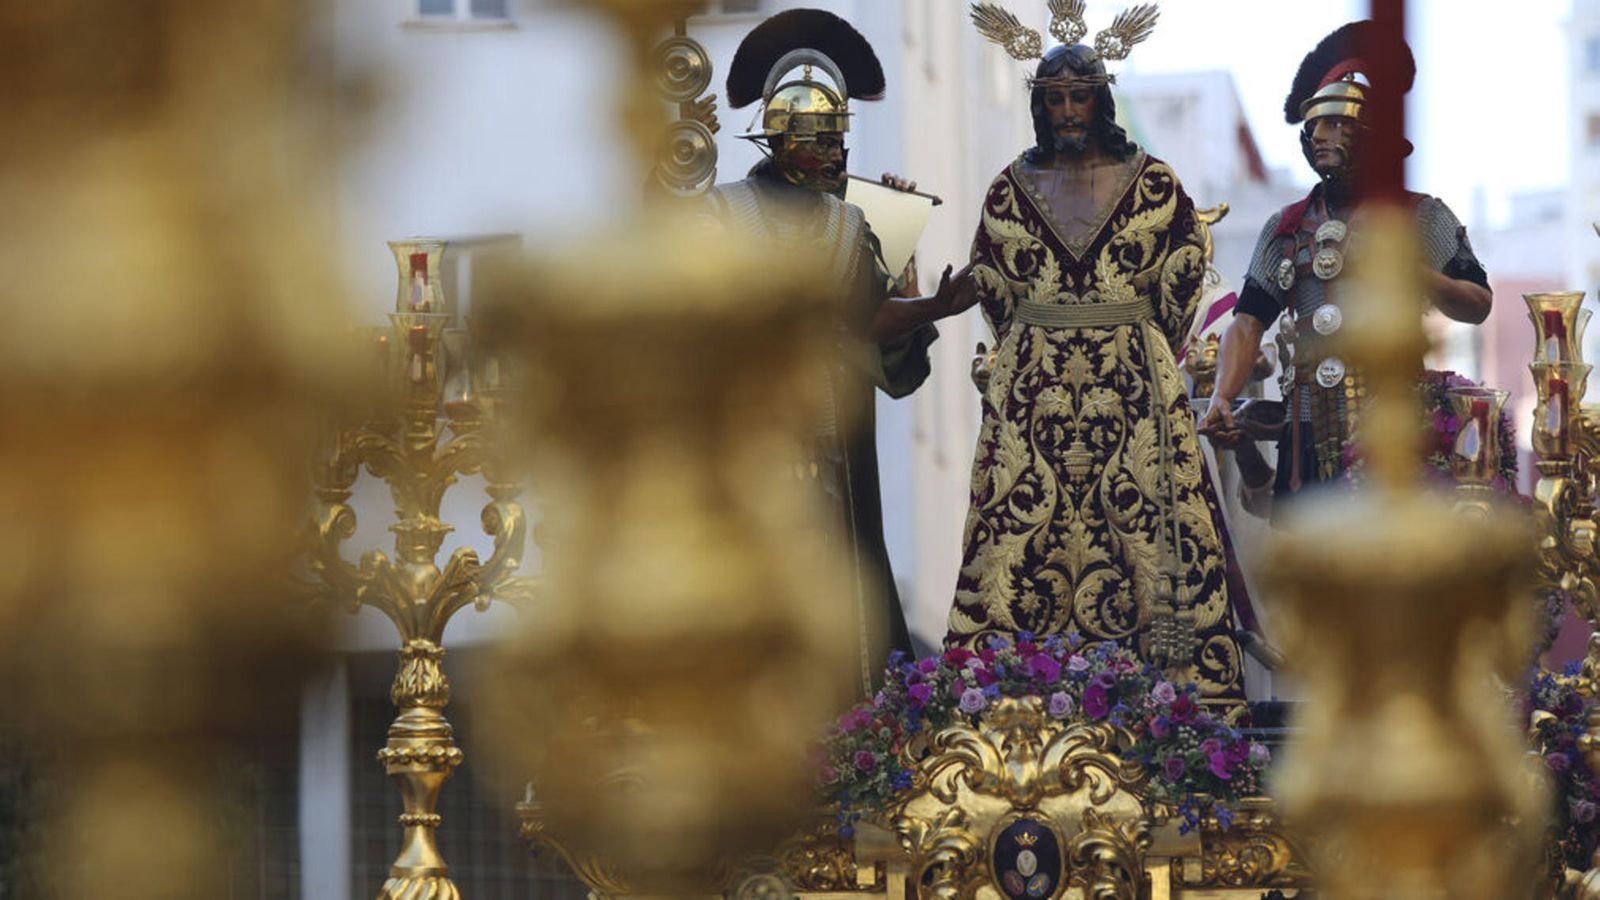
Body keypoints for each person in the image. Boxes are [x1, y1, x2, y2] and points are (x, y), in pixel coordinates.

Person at [948, 3, 1245, 706]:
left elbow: (1181, 284)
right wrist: (1036, 349)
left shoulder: (1155, 183)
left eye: (1080, 96)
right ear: (1040, 106)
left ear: (1102, 98)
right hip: (1037, 397)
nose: (1068, 111)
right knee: (1023, 534)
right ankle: (1015, 696)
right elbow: (992, 285)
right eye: (1054, 100)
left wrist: (1137, 343)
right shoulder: (1010, 187)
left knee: (1146, 538)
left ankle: (1173, 710)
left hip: (1134, 388)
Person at [712, 9, 978, 695]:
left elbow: (880, 343)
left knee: (848, 588)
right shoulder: (721, 213)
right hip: (752, 437)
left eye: (837, 135)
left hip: (837, 447)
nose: (833, 150)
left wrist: (920, 289)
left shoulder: (851, 222)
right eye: (816, 136)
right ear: (778, 134)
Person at [1199, 21, 1492, 499]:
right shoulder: (1285, 227)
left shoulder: (1420, 215)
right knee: (1311, 562)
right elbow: (1248, 322)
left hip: (1393, 424)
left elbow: (1477, 304)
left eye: (1336, 122)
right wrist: (1221, 395)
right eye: (1314, 123)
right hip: (1307, 429)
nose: (1319, 134)